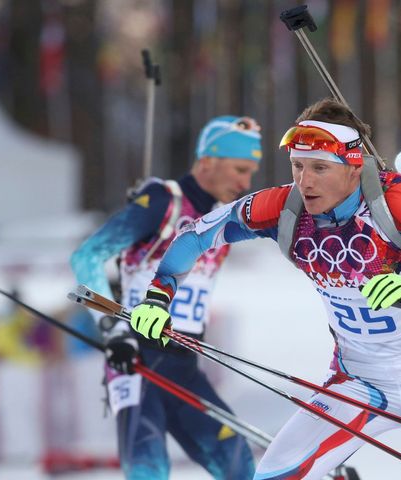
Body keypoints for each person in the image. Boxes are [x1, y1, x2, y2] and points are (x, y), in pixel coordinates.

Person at [129, 98, 401, 479]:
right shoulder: (284, 209)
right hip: (356, 386)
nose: (306, 181)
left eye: (320, 168)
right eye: (298, 166)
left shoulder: (400, 207)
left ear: (354, 165)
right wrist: (158, 295)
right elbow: (198, 235)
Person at [71, 115, 262, 479]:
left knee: (239, 465)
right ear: (207, 161)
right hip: (136, 360)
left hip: (184, 368)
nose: (245, 182)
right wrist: (113, 332)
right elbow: (87, 257)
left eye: (251, 172)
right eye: (240, 169)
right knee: (149, 471)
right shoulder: (164, 200)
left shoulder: (222, 219)